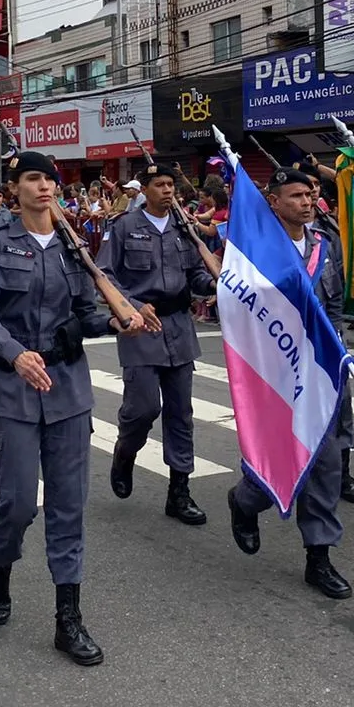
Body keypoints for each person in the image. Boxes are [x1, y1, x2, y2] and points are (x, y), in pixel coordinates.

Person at [0, 151, 146, 667]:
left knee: (68, 506)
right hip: (12, 391)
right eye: (32, 179)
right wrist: (15, 354)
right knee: (19, 503)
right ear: (14, 191)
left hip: (67, 390)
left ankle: (68, 618)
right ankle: (1, 566)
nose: (44, 186)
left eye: (49, 179)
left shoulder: (75, 248)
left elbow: (87, 314)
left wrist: (114, 322)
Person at [224, 167, 354, 599]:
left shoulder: (324, 244)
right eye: (296, 194)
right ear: (274, 201)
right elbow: (239, 308)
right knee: (278, 459)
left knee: (324, 458)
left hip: (318, 372)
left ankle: (319, 557)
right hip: (273, 374)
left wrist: (335, 349)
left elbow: (332, 305)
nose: (306, 200)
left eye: (310, 193)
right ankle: (244, 502)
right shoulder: (256, 247)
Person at [97, 160, 217, 525]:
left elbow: (196, 274)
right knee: (143, 408)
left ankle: (179, 491)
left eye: (171, 185)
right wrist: (131, 306)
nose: (168, 191)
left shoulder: (184, 230)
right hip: (140, 329)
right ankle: (125, 451)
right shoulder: (123, 227)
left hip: (179, 327)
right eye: (160, 185)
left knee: (181, 413)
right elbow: (103, 274)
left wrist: (218, 286)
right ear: (144, 190)